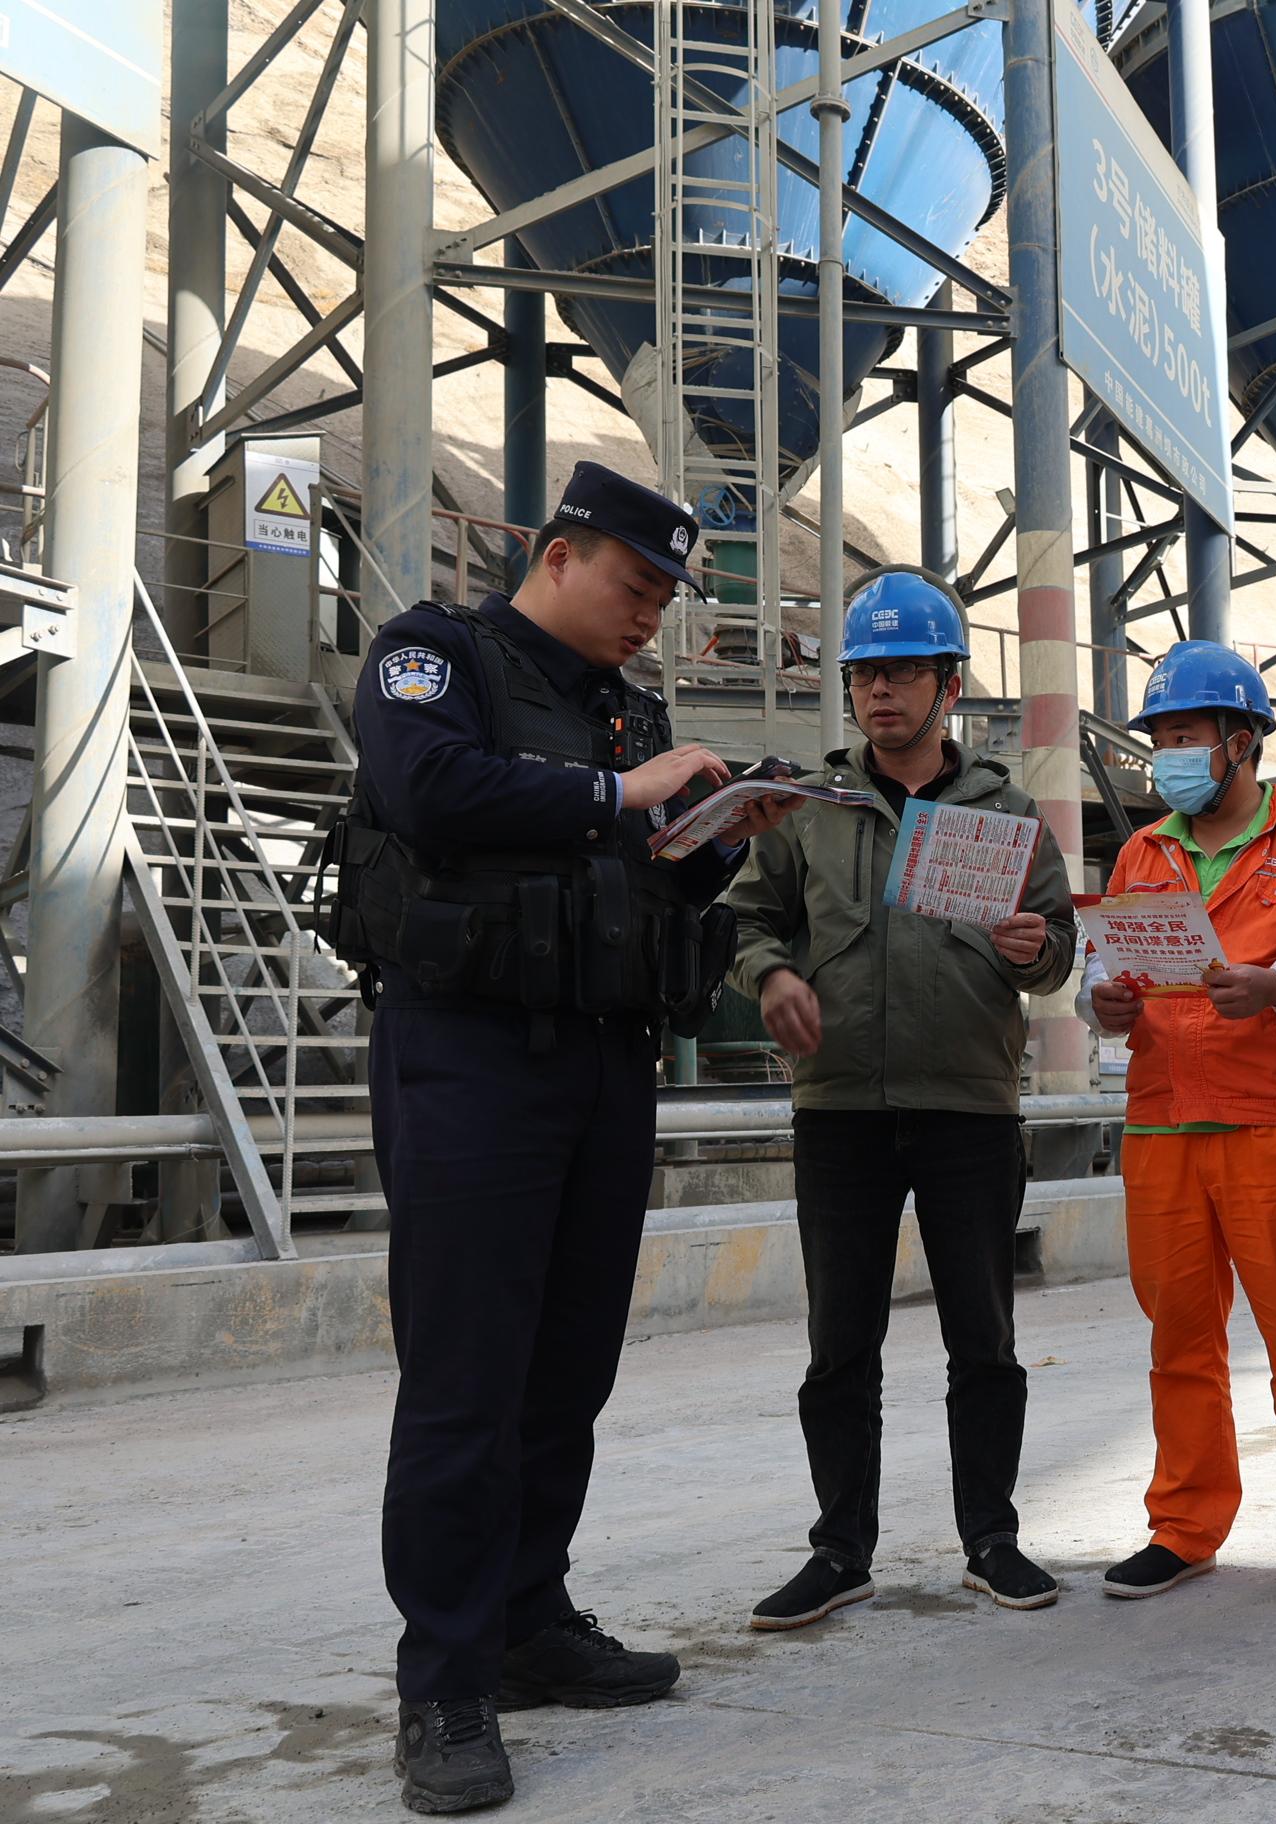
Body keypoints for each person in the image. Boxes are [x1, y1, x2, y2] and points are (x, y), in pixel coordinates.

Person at [331, 461, 796, 1815]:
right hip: (471, 1055)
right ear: (558, 553)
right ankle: (445, 1684)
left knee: (567, 1368)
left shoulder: (623, 710)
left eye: (666, 596)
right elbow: (429, 790)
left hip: (604, 1059)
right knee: (466, 1378)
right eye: (634, 585)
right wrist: (619, 794)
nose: (650, 614)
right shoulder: (437, 656)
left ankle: (528, 1620)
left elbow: (647, 870)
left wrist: (719, 834)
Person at [723, 570, 1078, 1630]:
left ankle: (992, 1540)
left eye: (902, 673)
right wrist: (770, 978)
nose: (879, 692)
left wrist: (1035, 947)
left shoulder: (1008, 814)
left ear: (948, 686)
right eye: (864, 675)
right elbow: (748, 922)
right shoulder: (807, 809)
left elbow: (1055, 952)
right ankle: (841, 1551)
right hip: (839, 1109)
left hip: (969, 1108)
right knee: (840, 1346)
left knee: (984, 1341)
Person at [1076, 642, 1276, 1609]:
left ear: (1241, 740)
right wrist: (1100, 1005)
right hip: (1163, 1123)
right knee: (1179, 1343)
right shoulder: (1144, 852)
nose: (1167, 756)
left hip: (1275, 1123)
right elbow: (1102, 967)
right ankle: (1184, 1526)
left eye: (1185, 737)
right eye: (1161, 739)